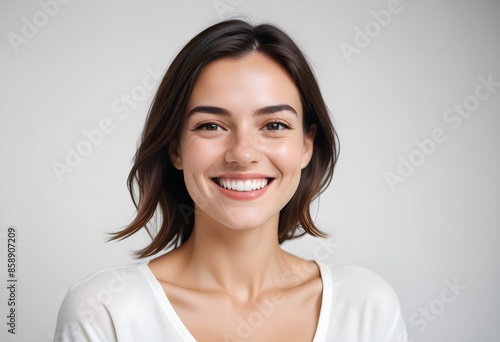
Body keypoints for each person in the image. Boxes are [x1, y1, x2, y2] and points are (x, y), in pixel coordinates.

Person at [54, 19, 407, 342]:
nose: (243, 153)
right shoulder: (105, 313)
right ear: (176, 148)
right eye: (211, 126)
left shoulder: (367, 308)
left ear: (306, 145)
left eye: (274, 125)